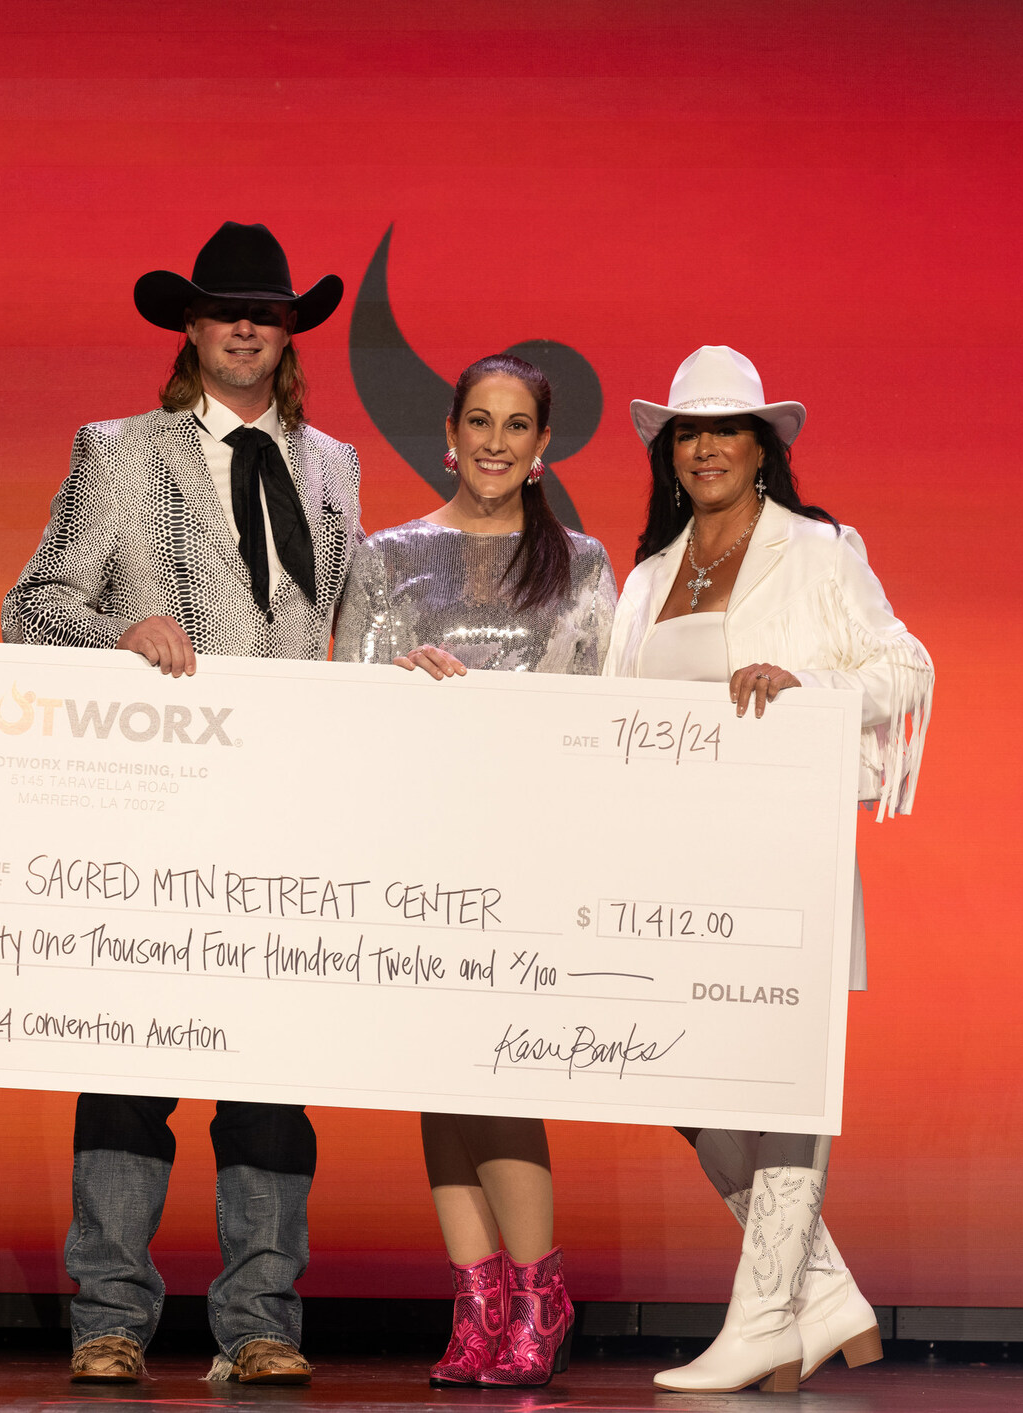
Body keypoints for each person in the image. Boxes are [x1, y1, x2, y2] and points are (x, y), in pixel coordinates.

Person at [0, 221, 364, 1386]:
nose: (246, 328)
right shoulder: (118, 451)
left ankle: (260, 1321)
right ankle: (109, 1317)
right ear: (192, 329)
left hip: (287, 807)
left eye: (267, 312)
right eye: (225, 311)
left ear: (290, 332)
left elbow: (348, 629)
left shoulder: (335, 467)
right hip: (154, 807)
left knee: (271, 1080)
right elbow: (31, 607)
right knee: (129, 1065)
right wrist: (122, 629)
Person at [601, 345, 934, 1393]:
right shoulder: (648, 577)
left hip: (781, 848)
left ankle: (763, 1322)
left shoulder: (818, 551)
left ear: (761, 448)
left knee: (785, 1071)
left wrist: (805, 683)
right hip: (670, 865)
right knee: (674, 1070)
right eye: (688, 432)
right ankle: (818, 1296)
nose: (705, 447)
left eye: (726, 431)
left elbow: (904, 664)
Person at [333, 354, 615, 1387]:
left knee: (499, 1065)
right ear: (450, 434)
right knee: (436, 1074)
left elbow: (597, 708)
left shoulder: (580, 563)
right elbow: (350, 695)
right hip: (415, 837)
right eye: (480, 421)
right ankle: (478, 1300)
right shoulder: (386, 555)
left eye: (517, 425)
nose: (496, 442)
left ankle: (540, 1293)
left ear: (543, 447)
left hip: (525, 842)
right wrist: (400, 679)